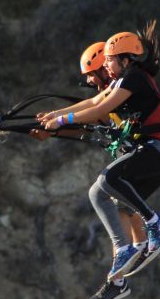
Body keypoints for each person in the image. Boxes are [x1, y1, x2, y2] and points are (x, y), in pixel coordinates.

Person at [41, 28, 160, 299]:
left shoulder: (134, 78)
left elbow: (100, 109)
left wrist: (62, 119)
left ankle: (154, 224)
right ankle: (120, 271)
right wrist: (54, 116)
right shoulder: (121, 81)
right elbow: (95, 101)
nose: (105, 65)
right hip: (151, 152)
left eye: (109, 59)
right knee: (101, 195)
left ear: (126, 60)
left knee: (109, 178)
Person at [32, 42, 149, 254]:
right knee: (121, 205)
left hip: (140, 155)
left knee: (123, 206)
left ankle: (133, 255)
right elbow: (88, 125)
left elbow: (95, 111)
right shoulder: (110, 93)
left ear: (105, 69)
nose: (88, 81)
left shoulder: (120, 92)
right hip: (129, 156)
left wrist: (60, 120)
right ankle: (128, 259)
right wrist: (53, 127)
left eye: (91, 74)